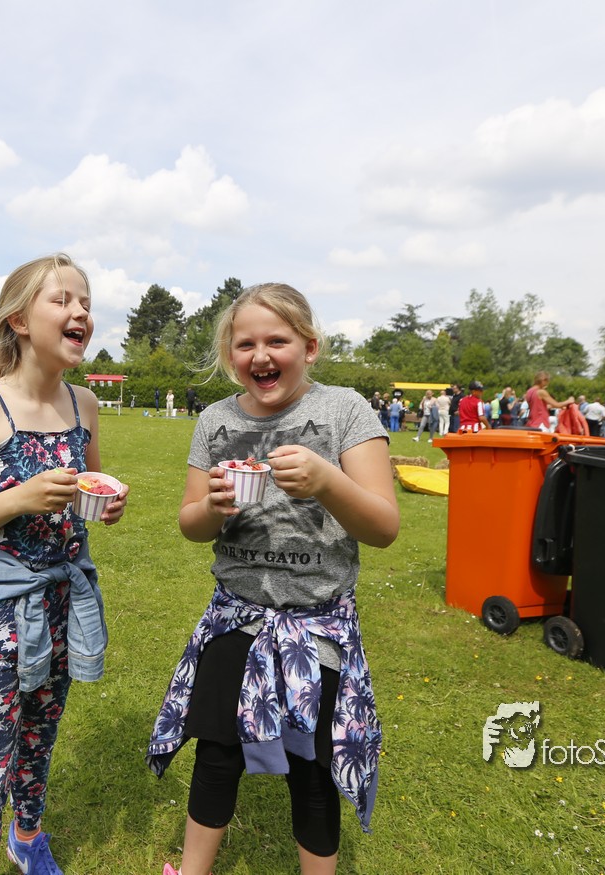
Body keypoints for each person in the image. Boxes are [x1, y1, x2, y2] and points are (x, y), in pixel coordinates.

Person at [147, 283, 400, 875]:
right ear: (229, 355)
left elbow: (384, 527)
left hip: (317, 628)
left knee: (312, 772)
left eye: (277, 341)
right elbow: (190, 525)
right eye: (245, 344)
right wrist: (213, 508)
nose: (260, 355)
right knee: (216, 755)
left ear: (309, 348)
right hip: (236, 617)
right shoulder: (215, 420)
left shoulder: (345, 411)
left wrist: (327, 482)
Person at [0, 254, 128, 875]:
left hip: (63, 602)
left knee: (40, 735)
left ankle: (27, 837)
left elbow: (83, 490)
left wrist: (103, 505)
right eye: (62, 300)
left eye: (85, 302)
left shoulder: (85, 405)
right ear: (18, 320)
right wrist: (18, 498)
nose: (80, 312)